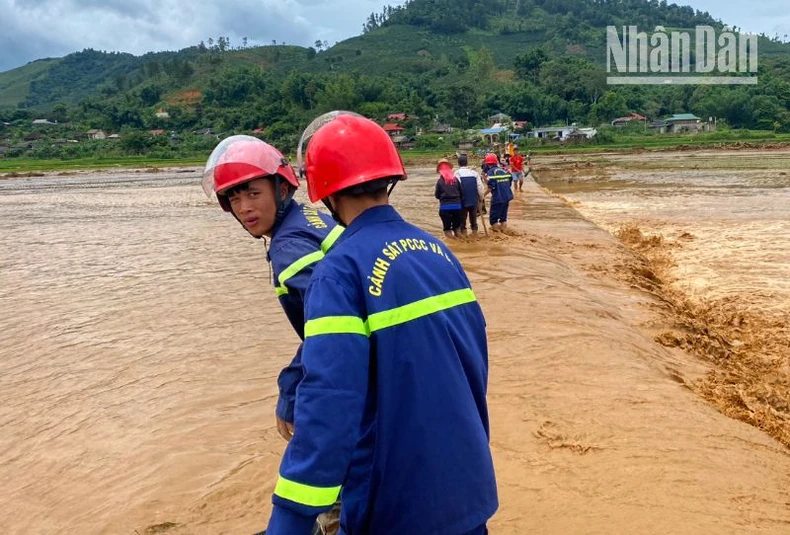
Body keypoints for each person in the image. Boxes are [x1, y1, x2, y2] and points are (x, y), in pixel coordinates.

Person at [264, 111, 498, 535]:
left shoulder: (339, 271)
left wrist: (289, 519)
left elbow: (328, 408)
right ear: (390, 175)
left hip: (400, 506)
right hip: (469, 488)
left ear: (322, 190)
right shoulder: (437, 251)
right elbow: (474, 364)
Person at [202, 135, 343, 535]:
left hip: (349, 371)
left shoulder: (289, 245)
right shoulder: (313, 219)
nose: (244, 207)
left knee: (326, 478)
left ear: (282, 188)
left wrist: (291, 385)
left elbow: (332, 324)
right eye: (233, 199)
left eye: (253, 193)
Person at [454, 153, 485, 234]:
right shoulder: (474, 173)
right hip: (474, 200)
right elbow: (480, 188)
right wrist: (481, 198)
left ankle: (464, 238)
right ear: (467, 163)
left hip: (462, 201)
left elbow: (456, 188)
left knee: (462, 222)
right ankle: (475, 236)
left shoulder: (456, 174)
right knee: (473, 221)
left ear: (458, 163)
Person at [482, 152, 514, 230]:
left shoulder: (491, 172)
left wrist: (482, 196)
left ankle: (497, 235)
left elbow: (491, 187)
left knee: (493, 220)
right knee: (503, 218)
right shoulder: (504, 170)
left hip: (497, 198)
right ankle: (504, 231)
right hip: (507, 197)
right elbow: (509, 180)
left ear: (487, 164)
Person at [434, 158, 464, 238]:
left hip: (445, 207)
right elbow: (461, 193)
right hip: (457, 207)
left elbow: (437, 195)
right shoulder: (456, 180)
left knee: (447, 230)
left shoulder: (439, 182)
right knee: (457, 229)